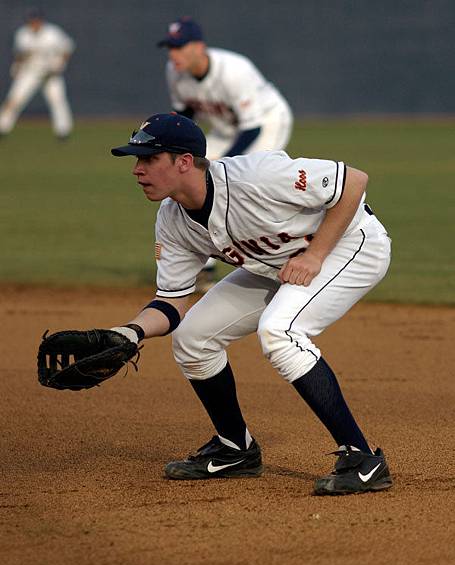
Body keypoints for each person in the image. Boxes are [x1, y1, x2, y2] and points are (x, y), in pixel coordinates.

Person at [109, 112, 393, 496]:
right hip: (279, 265)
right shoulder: (172, 219)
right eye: (137, 160)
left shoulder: (256, 176)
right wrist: (130, 332)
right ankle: (235, 449)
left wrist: (316, 256)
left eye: (148, 159)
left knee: (280, 331)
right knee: (193, 337)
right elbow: (172, 302)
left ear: (184, 161)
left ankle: (363, 458)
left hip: (350, 244)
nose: (137, 170)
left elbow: (353, 182)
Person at [157, 17, 294, 292]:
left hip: (266, 123)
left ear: (199, 47)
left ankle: (280, 255)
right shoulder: (174, 71)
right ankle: (202, 269)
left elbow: (252, 128)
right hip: (225, 130)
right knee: (187, 180)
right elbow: (186, 115)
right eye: (171, 47)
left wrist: (218, 167)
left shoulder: (234, 70)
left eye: (180, 47)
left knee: (244, 184)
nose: (174, 55)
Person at [0, 9, 75, 139]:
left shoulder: (52, 32)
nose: (34, 24)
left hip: (50, 73)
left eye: (36, 21)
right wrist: (17, 66)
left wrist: (61, 63)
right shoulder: (23, 34)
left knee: (57, 101)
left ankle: (63, 132)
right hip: (30, 72)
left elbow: (67, 47)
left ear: (41, 21)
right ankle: (2, 128)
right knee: (14, 100)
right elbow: (20, 54)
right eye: (32, 21)